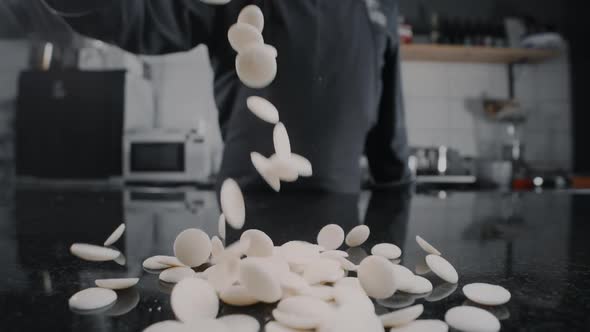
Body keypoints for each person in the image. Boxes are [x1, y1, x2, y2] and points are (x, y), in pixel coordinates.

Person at [44, 0, 410, 193]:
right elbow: (141, 16)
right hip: (248, 207)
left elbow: (388, 123)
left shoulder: (380, 5)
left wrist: (396, 197)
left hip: (341, 214)